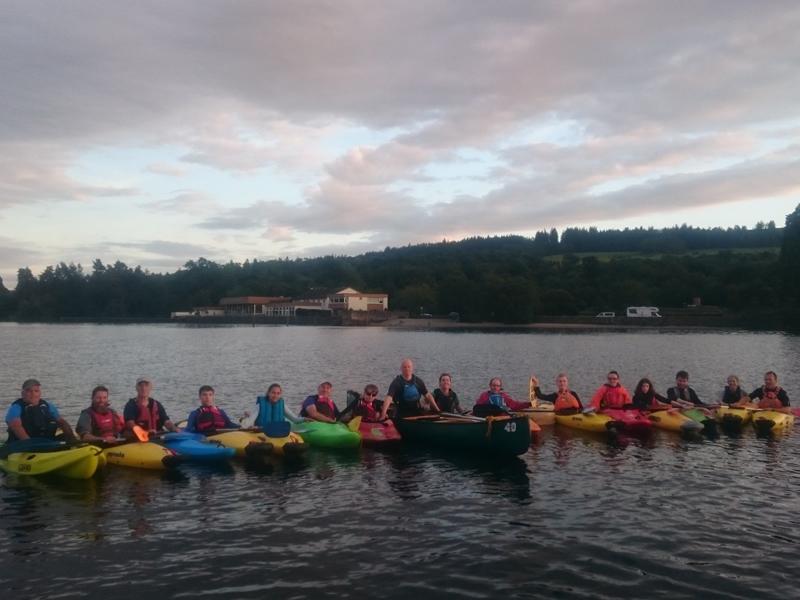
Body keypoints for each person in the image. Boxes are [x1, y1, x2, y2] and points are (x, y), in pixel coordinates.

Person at [5, 378, 78, 442]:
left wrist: (71, 437)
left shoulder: (48, 406)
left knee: (66, 435)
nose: (33, 394)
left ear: (40, 393)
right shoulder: (16, 408)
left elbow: (62, 422)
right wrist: (29, 444)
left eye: (36, 391)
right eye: (29, 391)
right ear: (23, 393)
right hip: (23, 444)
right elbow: (16, 426)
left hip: (46, 441)